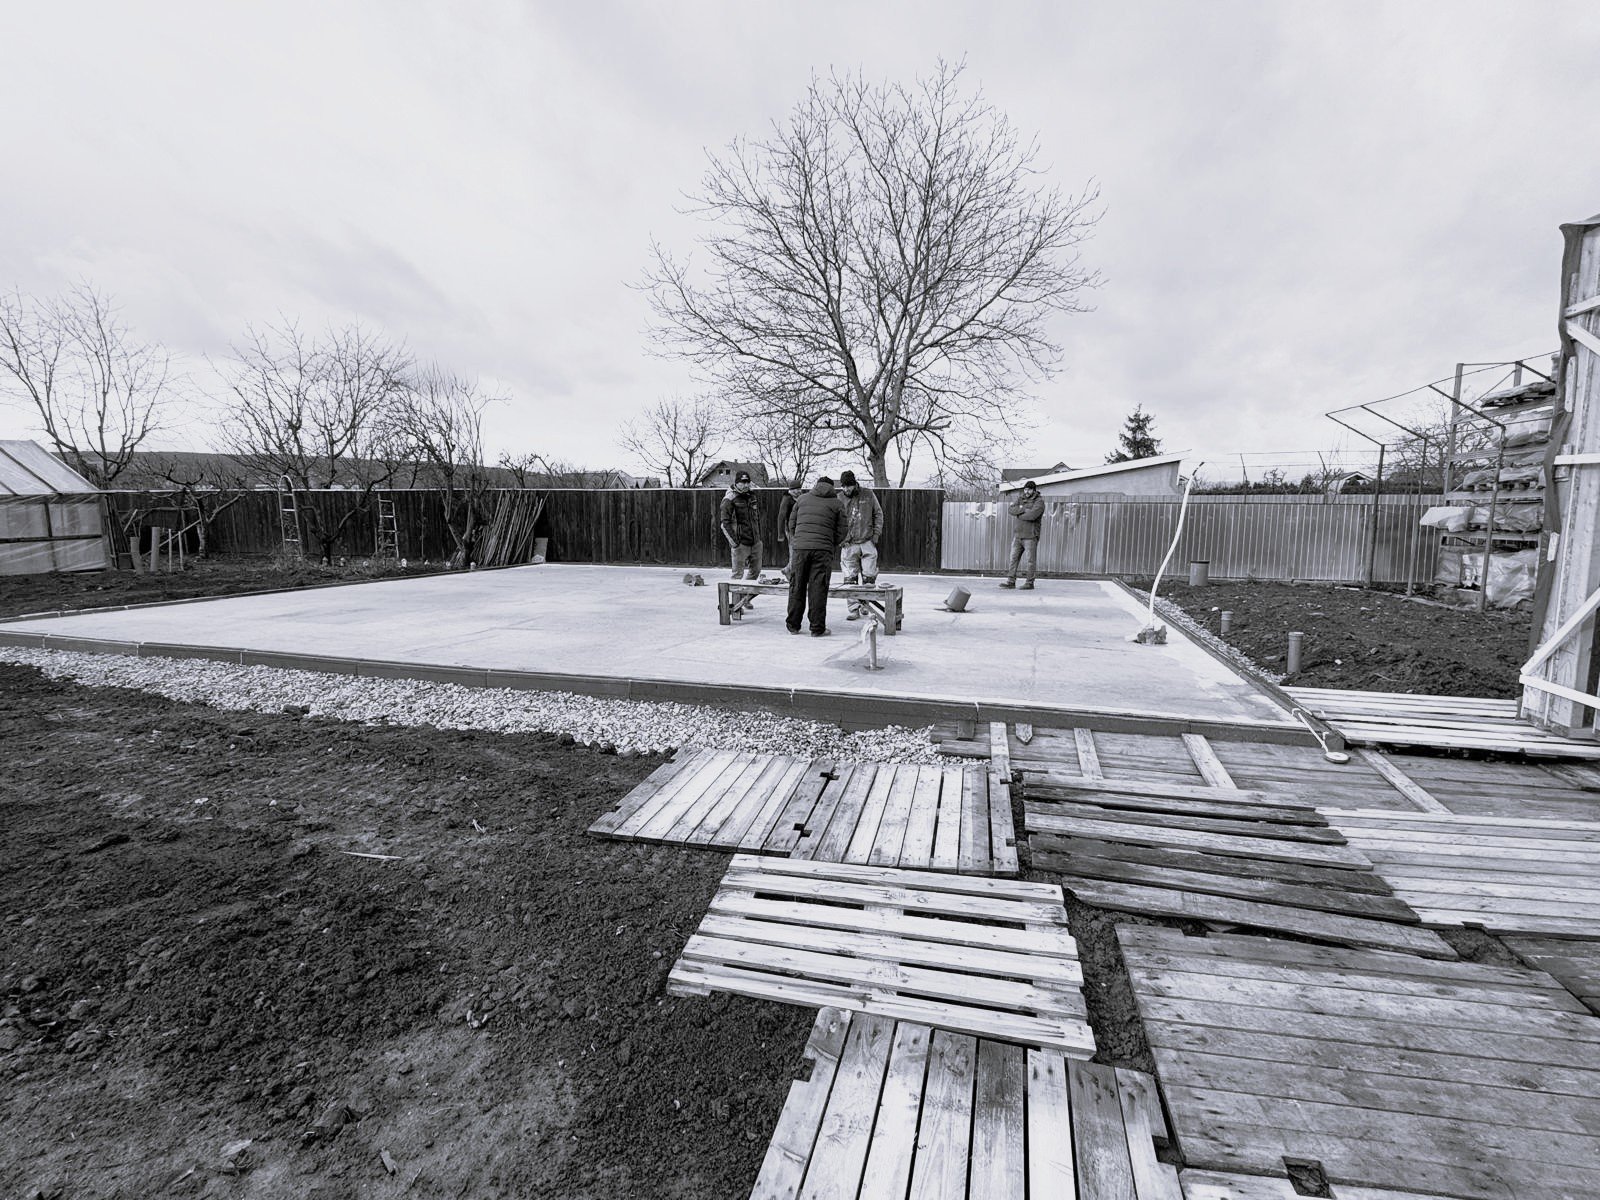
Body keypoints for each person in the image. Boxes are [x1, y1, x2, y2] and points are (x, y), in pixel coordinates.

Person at [786, 475, 847, 636]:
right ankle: (817, 628)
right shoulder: (837, 503)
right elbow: (843, 530)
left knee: (797, 586)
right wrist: (830, 543)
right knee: (818, 588)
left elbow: (791, 524)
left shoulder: (802, 499)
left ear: (816, 485)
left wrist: (798, 540)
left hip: (800, 549)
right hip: (823, 551)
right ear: (832, 487)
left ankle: (793, 625)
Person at [836, 469, 884, 620]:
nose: (846, 489)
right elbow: (834, 520)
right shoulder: (839, 498)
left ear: (854, 483)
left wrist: (876, 534)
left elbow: (878, 514)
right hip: (848, 544)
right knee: (850, 578)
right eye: (843, 486)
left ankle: (866, 605)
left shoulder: (868, 494)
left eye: (848, 486)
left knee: (869, 577)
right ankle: (853, 609)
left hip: (867, 541)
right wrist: (840, 540)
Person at [1000, 479, 1046, 589]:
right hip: (1018, 535)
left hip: (1030, 536)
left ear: (1034, 490)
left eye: (1029, 490)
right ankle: (1011, 581)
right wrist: (1024, 509)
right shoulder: (1021, 498)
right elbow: (1011, 509)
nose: (1026, 491)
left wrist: (1019, 513)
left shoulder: (1039, 502)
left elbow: (1032, 516)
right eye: (1025, 489)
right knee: (1013, 559)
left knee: (1030, 561)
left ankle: (1029, 583)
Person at [718, 470, 762, 583]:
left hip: (756, 543)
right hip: (740, 544)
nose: (746, 485)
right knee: (737, 576)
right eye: (743, 482)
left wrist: (758, 538)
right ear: (736, 483)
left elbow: (756, 518)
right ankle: (736, 600)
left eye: (748, 482)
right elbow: (724, 524)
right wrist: (735, 543)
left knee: (755, 572)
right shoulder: (729, 499)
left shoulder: (752, 496)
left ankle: (744, 600)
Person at [775, 479, 804, 580]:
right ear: (790, 490)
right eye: (794, 489)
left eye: (799, 489)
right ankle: (791, 573)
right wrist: (780, 534)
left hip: (801, 529)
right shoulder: (787, 499)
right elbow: (781, 516)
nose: (797, 491)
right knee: (794, 551)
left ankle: (788, 569)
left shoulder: (802, 498)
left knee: (799, 551)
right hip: (791, 530)